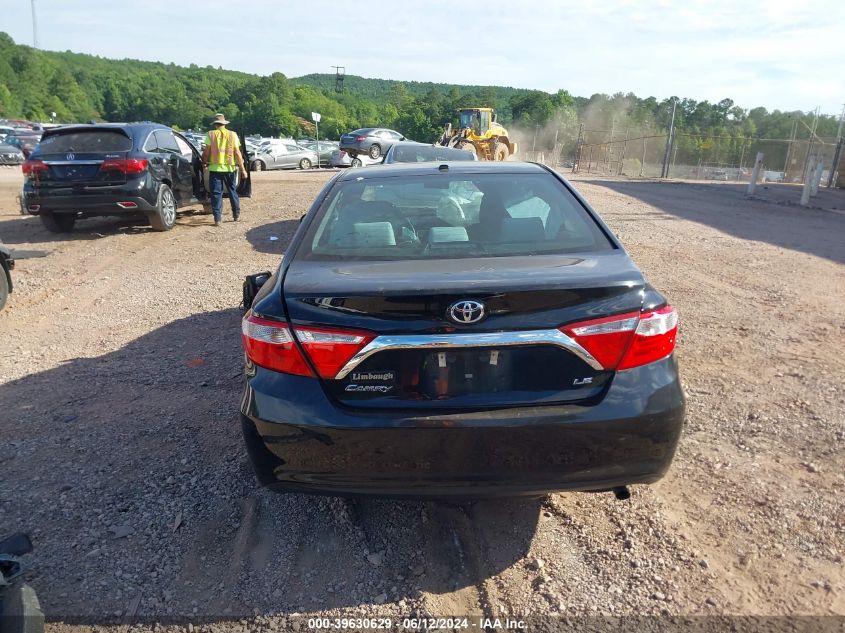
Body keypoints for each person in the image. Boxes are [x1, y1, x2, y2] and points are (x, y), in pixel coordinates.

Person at [202, 114, 248, 226]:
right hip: (230, 168)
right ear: (224, 124)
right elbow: (237, 153)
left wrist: (204, 162)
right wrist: (243, 170)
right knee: (232, 191)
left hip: (215, 169)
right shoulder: (233, 135)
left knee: (216, 194)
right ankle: (236, 215)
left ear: (215, 124)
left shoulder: (211, 134)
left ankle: (217, 218)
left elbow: (207, 151)